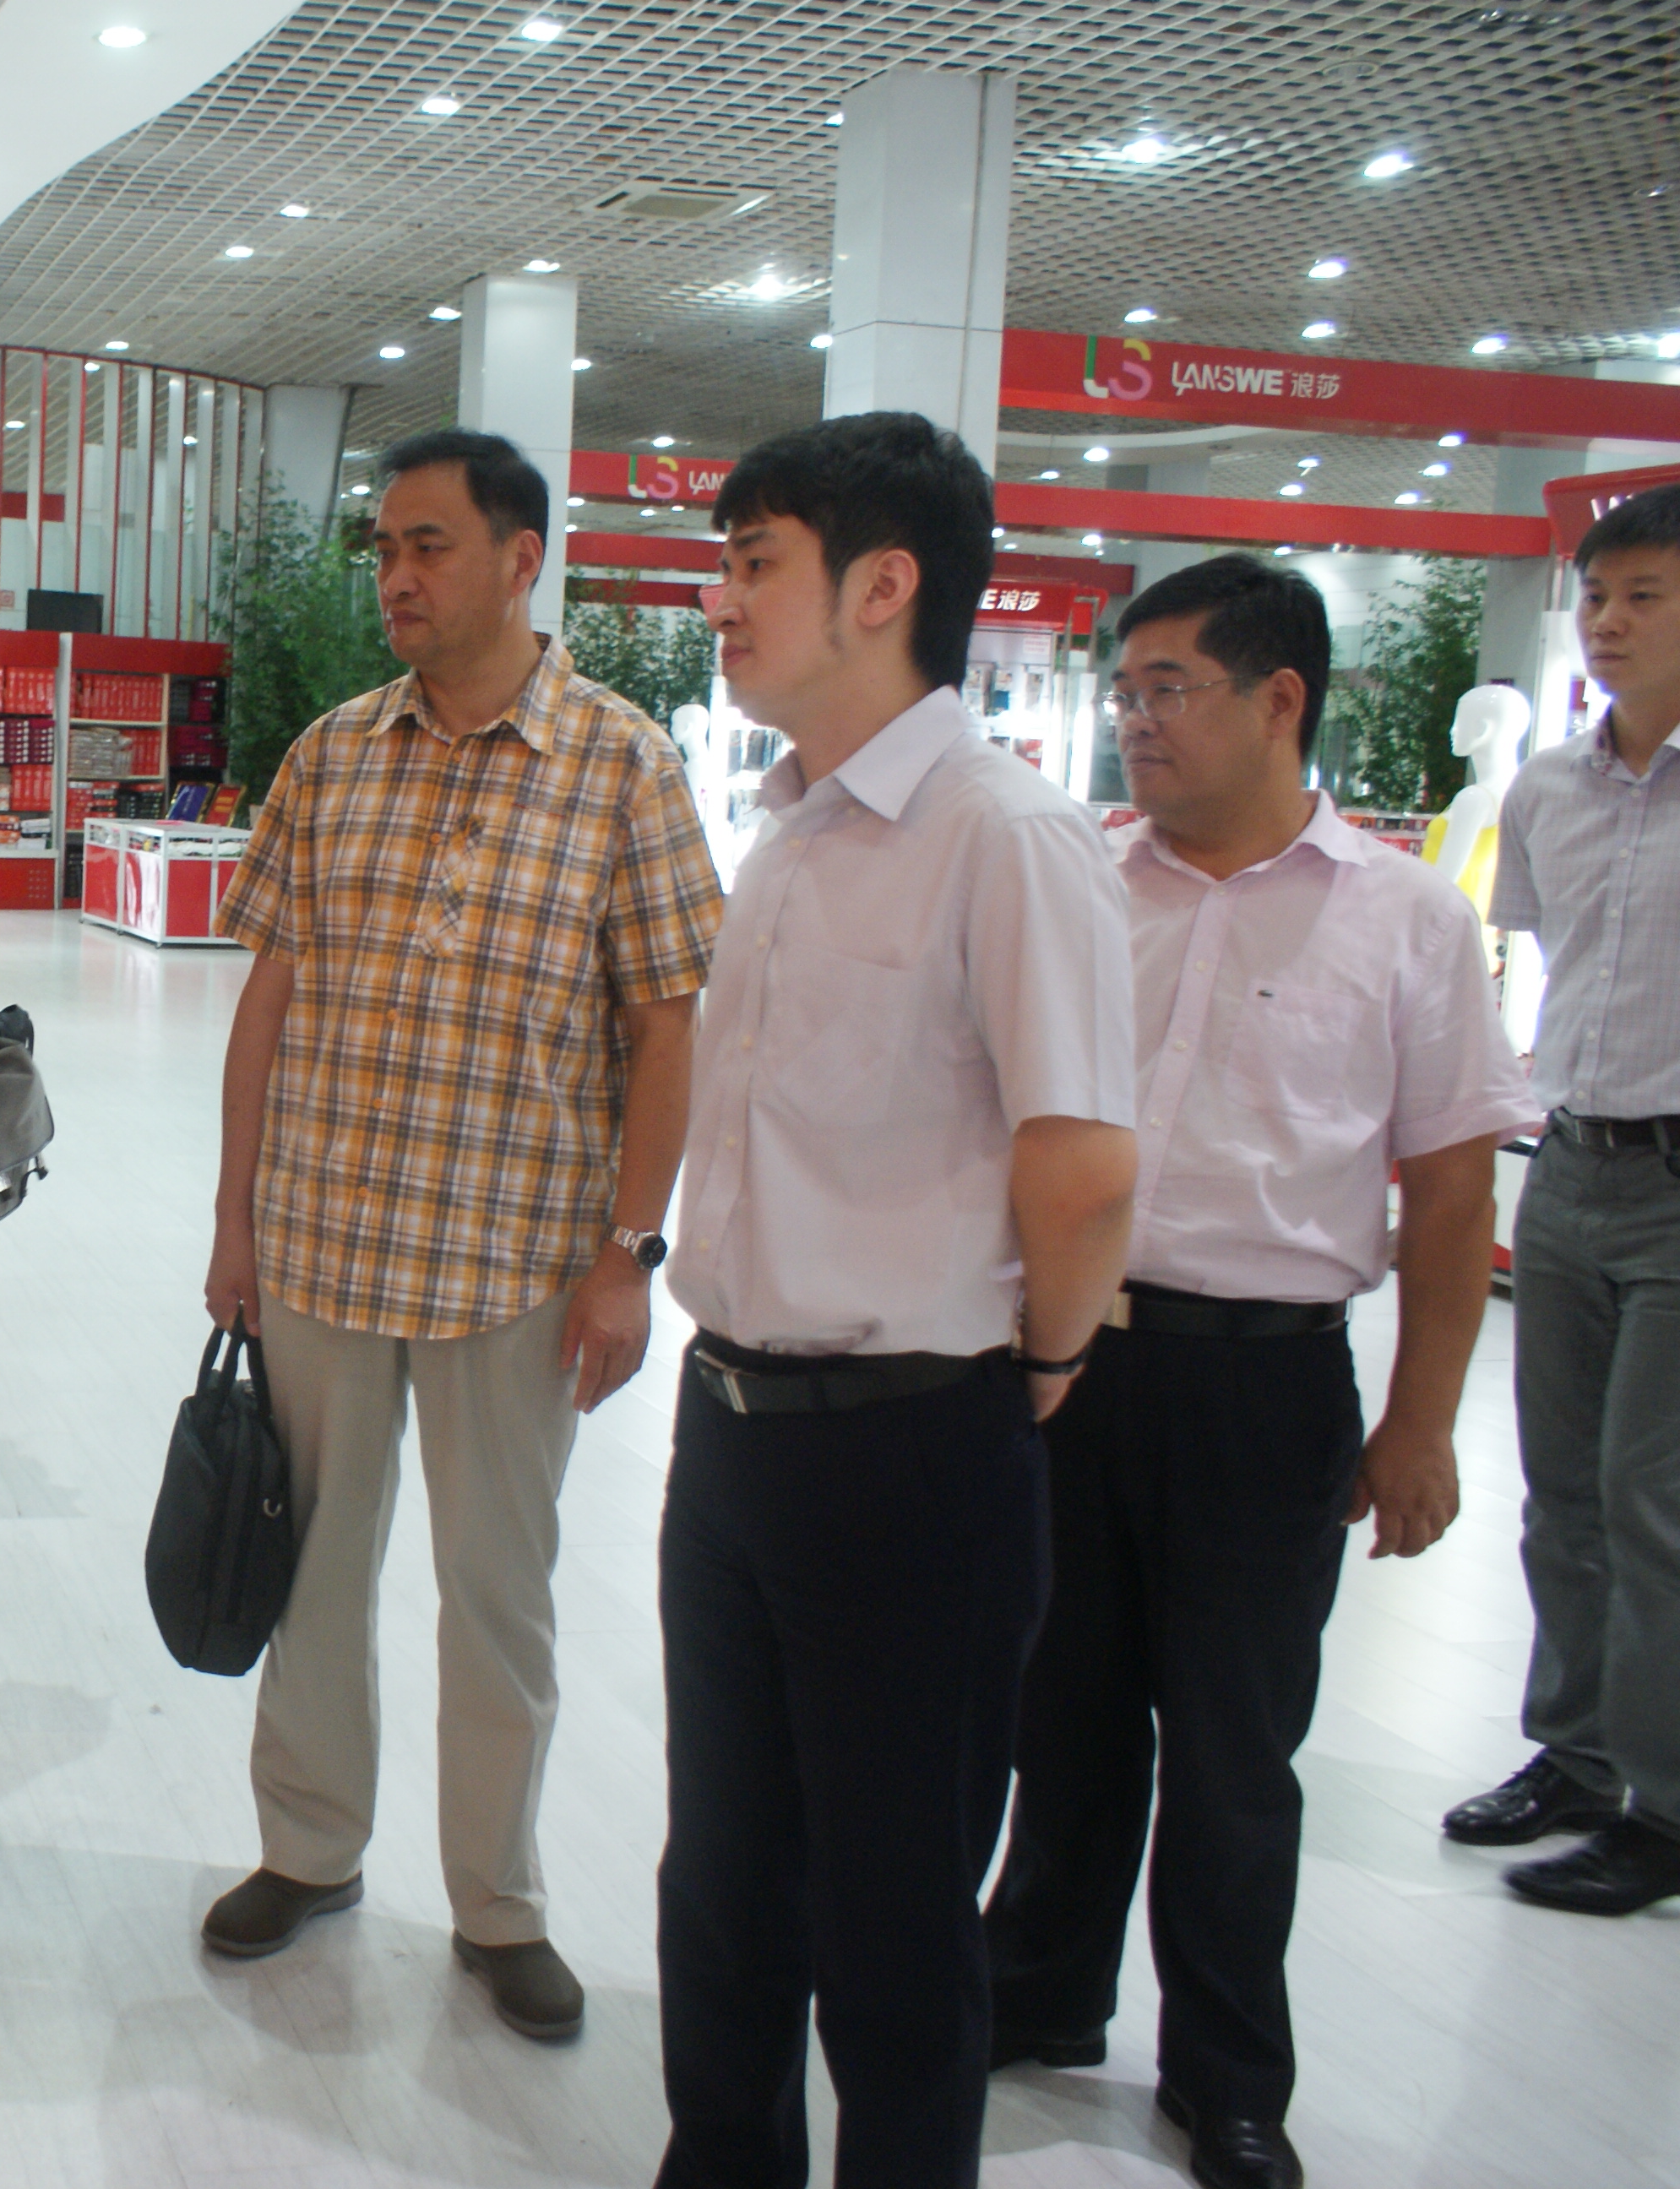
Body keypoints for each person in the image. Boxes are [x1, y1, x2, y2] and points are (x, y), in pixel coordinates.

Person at [981, 556, 1536, 2189]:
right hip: (1072, 1364)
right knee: (1062, 1714)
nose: (1137, 720)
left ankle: (1227, 2075)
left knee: (1234, 1755)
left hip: (1267, 1388)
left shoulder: (1407, 919)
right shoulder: (1082, 881)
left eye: (1171, 688)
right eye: (1127, 690)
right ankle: (1040, 1988)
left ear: (1281, 699)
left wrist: (1421, 1425)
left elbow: (1452, 1196)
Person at [655, 410, 1139, 2188]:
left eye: (751, 564)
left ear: (882, 586)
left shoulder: (1004, 835)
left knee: (896, 1914)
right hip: (731, 1431)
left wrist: (1042, 1361)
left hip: (911, 1449)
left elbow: (1080, 1163)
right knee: (723, 1881)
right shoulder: (788, 828)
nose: (718, 601)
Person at [202, 428, 722, 2042]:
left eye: (428, 543)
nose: (397, 575)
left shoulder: (623, 764)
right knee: (312, 1574)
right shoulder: (333, 754)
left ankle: (498, 1905)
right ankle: (309, 1849)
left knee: (498, 1600)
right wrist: (233, 1218)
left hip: (518, 1264)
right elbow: (270, 995)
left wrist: (632, 1253)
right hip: (325, 1244)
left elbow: (667, 1024)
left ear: (522, 558)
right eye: (384, 547)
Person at [1447, 480, 1680, 1915]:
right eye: (1596, 596)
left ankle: (1664, 1803)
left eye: (1646, 596)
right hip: (1573, 1164)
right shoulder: (1550, 791)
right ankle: (1578, 1756)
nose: (1608, 622)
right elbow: (1554, 968)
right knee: (1563, 1492)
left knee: (1653, 1498)